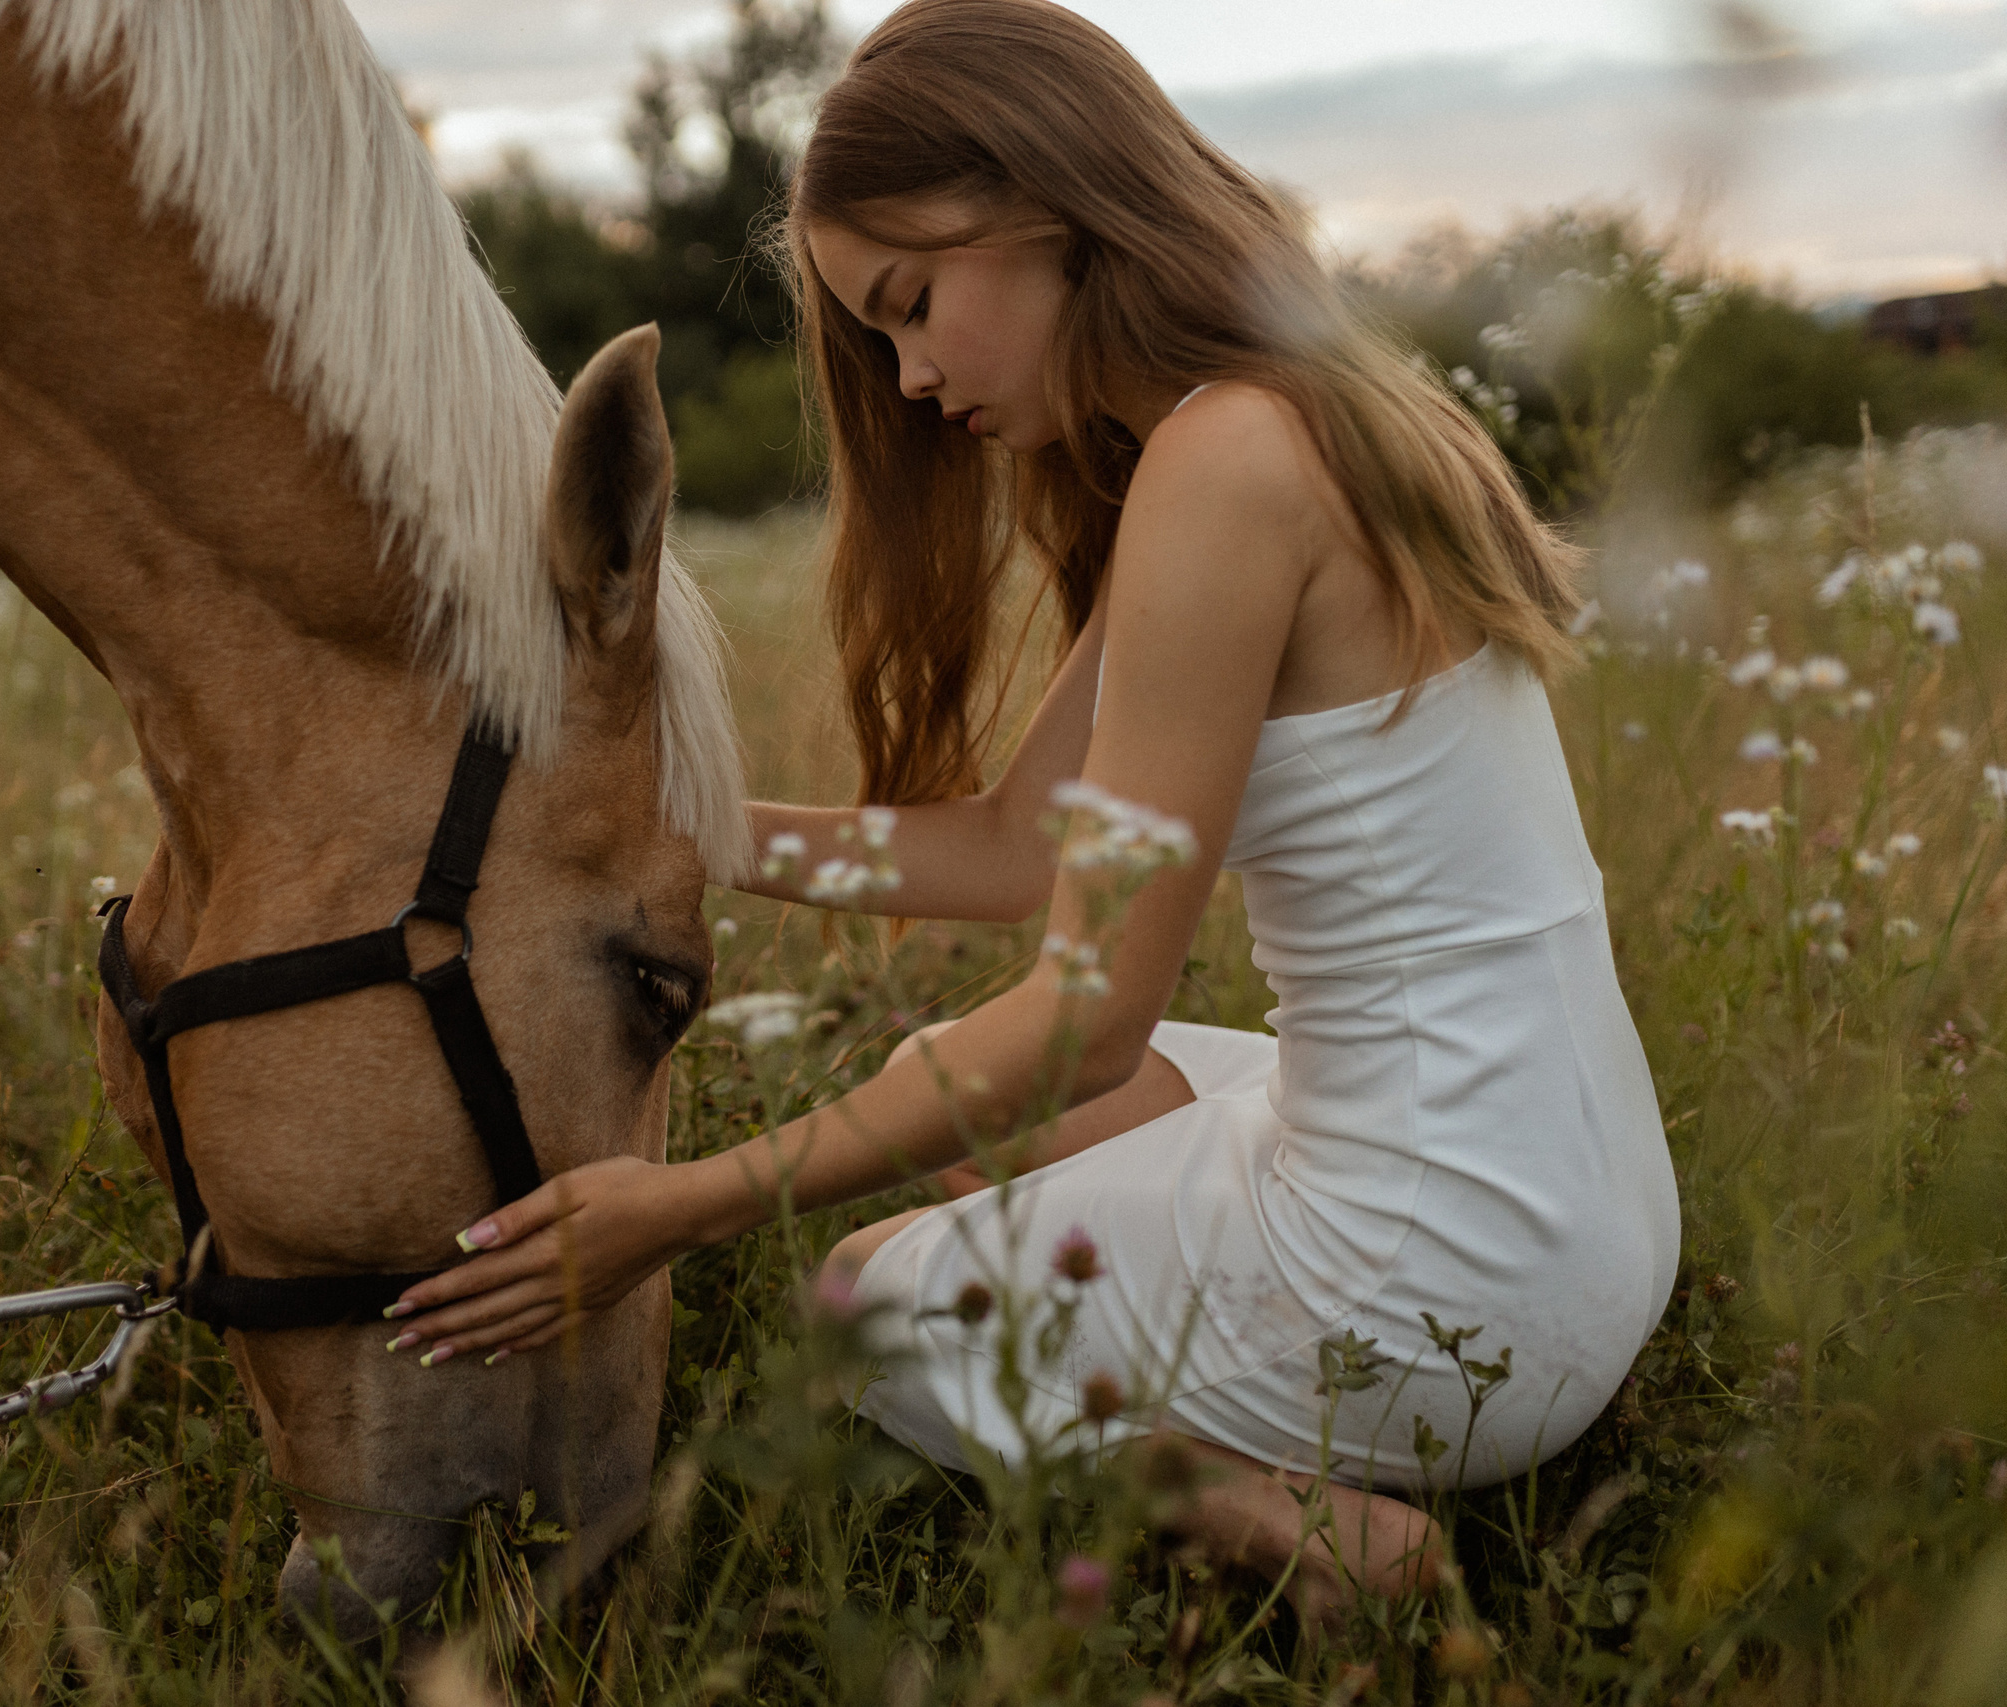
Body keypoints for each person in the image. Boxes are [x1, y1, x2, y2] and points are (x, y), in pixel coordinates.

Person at [381, 0, 1680, 1604]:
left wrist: (678, 1207)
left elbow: (1090, 1015)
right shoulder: (1294, 413)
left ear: (1046, 203)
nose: (914, 376)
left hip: (1452, 1276)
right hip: (1582, 1198)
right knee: (946, 1092)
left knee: (870, 1306)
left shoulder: (1226, 465)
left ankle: (1335, 1549)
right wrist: (684, 823)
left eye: (913, 306)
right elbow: (1013, 848)